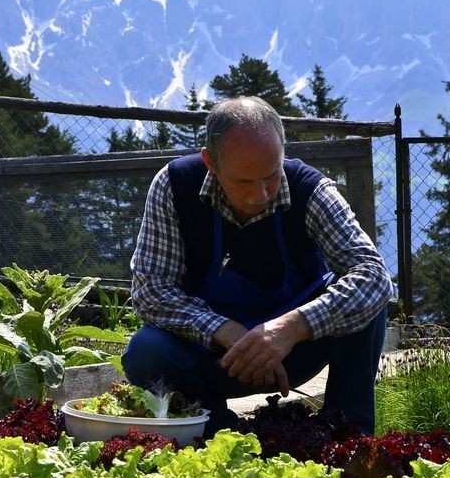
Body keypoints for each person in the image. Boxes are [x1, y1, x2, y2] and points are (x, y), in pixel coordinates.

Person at [122, 96, 393, 437]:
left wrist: (290, 329)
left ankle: (346, 437)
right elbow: (150, 291)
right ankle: (212, 433)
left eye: (271, 175)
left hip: (293, 354)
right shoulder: (175, 187)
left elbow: (373, 277)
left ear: (282, 151)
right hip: (214, 359)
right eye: (244, 182)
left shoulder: (311, 190)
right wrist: (225, 332)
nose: (261, 194)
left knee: (365, 302)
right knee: (146, 352)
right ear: (211, 163)